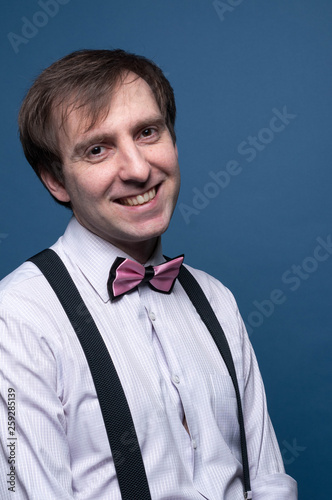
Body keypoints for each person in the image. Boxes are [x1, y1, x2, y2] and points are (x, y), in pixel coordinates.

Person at [0, 49, 297, 499]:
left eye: (147, 132)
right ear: (56, 180)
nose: (138, 170)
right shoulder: (18, 319)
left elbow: (268, 480)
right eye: (97, 149)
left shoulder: (216, 300)